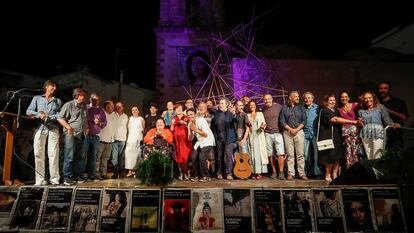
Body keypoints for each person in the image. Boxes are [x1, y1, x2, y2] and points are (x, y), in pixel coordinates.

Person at [26, 80, 62, 185]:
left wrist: (50, 117)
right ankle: (40, 180)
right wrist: (38, 115)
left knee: (53, 154)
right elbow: (28, 111)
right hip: (40, 127)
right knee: (38, 154)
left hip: (53, 128)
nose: (54, 88)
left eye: (55, 87)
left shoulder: (58, 101)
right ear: (46, 87)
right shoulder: (37, 98)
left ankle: (54, 180)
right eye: (52, 86)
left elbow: (60, 116)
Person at [318, 95, 361, 181]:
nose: (332, 102)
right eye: (330, 100)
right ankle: (328, 174)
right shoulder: (324, 111)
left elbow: (343, 117)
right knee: (329, 156)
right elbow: (335, 120)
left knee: (338, 156)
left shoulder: (336, 110)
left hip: (337, 136)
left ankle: (335, 174)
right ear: (326, 102)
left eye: (334, 100)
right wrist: (353, 121)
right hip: (328, 136)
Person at [57, 88, 88, 185]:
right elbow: (59, 118)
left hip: (81, 134)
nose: (84, 97)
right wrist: (68, 127)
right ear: (77, 96)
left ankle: (77, 175)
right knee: (69, 156)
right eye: (83, 95)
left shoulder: (84, 107)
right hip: (71, 134)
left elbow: (84, 119)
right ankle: (67, 177)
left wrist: (86, 128)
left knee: (79, 156)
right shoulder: (68, 105)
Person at [358, 91, 400, 160]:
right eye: (366, 98)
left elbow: (386, 119)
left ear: (373, 98)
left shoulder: (380, 107)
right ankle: (372, 171)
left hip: (378, 133)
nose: (368, 100)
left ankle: (378, 170)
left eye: (370, 98)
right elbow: (361, 124)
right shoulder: (361, 111)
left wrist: (393, 124)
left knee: (377, 156)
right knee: (370, 158)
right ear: (363, 100)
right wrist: (359, 123)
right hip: (366, 135)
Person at [280, 91, 308, 180]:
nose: (298, 98)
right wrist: (290, 129)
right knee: (290, 154)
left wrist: (296, 129)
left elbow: (304, 120)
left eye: (298, 96)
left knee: (300, 154)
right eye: (295, 96)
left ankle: (302, 173)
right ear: (290, 98)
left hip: (299, 132)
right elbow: (282, 121)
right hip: (288, 132)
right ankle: (291, 173)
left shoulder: (301, 108)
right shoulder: (284, 107)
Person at [240, 101, 268, 179]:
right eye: (250, 105)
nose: (252, 106)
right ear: (249, 107)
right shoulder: (247, 115)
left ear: (256, 106)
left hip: (258, 135)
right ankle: (253, 172)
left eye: (253, 105)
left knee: (259, 155)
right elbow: (247, 127)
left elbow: (264, 123)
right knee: (252, 155)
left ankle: (259, 173)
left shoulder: (260, 114)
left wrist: (262, 127)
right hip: (251, 136)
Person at [211, 98, 237, 180]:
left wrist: (234, 115)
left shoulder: (230, 113)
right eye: (220, 103)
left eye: (222, 103)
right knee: (219, 157)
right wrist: (215, 138)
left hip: (229, 139)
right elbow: (214, 127)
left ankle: (229, 173)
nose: (220, 105)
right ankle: (219, 173)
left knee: (228, 157)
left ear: (226, 104)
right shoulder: (216, 114)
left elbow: (237, 122)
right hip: (219, 139)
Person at [83, 93, 107, 181]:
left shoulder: (101, 110)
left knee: (93, 156)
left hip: (96, 136)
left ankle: (91, 175)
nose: (95, 101)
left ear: (99, 101)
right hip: (85, 135)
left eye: (97, 100)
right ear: (90, 99)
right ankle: (81, 174)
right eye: (93, 99)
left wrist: (99, 123)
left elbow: (105, 123)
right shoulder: (86, 108)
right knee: (83, 155)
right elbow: (82, 118)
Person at [262, 94, 286, 180]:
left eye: (268, 99)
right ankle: (274, 171)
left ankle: (281, 172)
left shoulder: (279, 107)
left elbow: (284, 118)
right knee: (270, 154)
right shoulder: (263, 110)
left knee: (280, 153)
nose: (267, 101)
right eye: (265, 99)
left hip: (278, 133)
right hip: (267, 133)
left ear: (272, 99)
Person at [187, 108, 215, 182]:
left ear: (195, 114)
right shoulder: (190, 124)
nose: (190, 116)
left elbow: (205, 134)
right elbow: (190, 139)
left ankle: (206, 176)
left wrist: (195, 129)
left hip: (208, 141)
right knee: (193, 157)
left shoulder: (201, 120)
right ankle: (197, 175)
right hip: (200, 142)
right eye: (188, 115)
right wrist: (190, 130)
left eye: (191, 114)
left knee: (201, 157)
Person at [338, 91, 362, 168]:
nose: (344, 98)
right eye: (342, 97)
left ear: (349, 98)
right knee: (348, 149)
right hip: (345, 131)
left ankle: (357, 167)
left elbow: (361, 112)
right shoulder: (339, 108)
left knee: (355, 148)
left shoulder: (355, 105)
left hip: (355, 130)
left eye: (345, 97)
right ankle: (349, 167)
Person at [303, 92, 322, 178]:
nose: (307, 100)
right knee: (306, 155)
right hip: (305, 134)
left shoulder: (318, 108)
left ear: (313, 98)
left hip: (315, 133)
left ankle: (317, 173)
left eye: (309, 98)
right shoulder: (301, 108)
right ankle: (308, 172)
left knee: (316, 154)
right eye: (306, 98)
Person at [170, 104, 192, 180]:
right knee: (178, 157)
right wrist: (172, 123)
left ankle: (185, 172)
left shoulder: (187, 117)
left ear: (182, 109)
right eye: (177, 109)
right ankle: (180, 173)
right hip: (177, 141)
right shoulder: (174, 118)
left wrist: (185, 123)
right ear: (175, 111)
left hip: (185, 140)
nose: (178, 110)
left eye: (180, 108)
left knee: (185, 157)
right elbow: (172, 130)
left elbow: (191, 127)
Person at [96, 100, 115, 179]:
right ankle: (96, 173)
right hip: (101, 139)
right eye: (112, 106)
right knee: (98, 157)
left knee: (105, 158)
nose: (113, 108)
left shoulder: (113, 115)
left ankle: (103, 173)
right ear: (107, 107)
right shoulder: (101, 113)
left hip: (109, 140)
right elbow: (97, 123)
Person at [124, 106, 145, 178]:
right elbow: (127, 128)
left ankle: (135, 171)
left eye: (136, 110)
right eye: (133, 110)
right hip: (130, 139)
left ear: (138, 111)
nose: (134, 111)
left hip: (138, 139)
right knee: (129, 154)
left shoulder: (141, 119)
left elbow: (143, 129)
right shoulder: (130, 118)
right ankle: (130, 170)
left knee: (137, 155)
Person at [111, 102, 128, 178]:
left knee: (122, 157)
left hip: (123, 139)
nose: (118, 108)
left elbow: (127, 128)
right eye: (117, 106)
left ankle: (121, 172)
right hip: (114, 139)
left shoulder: (126, 116)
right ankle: (115, 172)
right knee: (114, 157)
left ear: (123, 107)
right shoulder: (112, 114)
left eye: (120, 106)